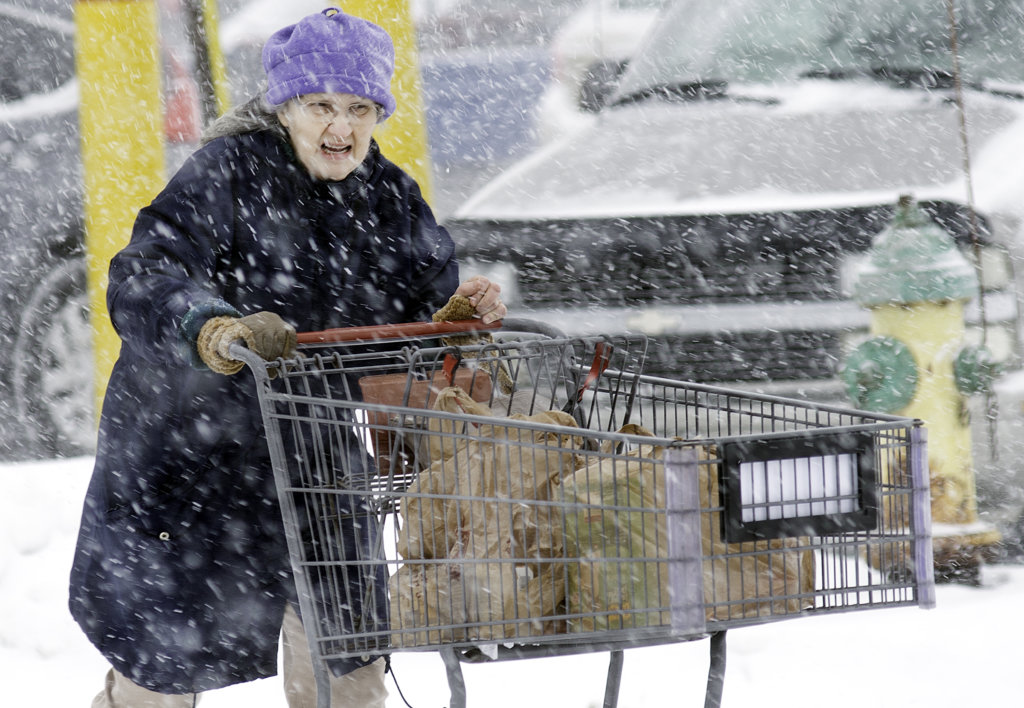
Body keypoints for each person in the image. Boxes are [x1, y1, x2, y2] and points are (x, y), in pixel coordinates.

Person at [69, 8, 505, 707]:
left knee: (350, 666)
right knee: (161, 667)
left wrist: (450, 318)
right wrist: (210, 328)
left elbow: (421, 300)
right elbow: (142, 274)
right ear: (284, 106)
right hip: (191, 452)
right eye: (320, 106)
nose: (341, 127)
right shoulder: (226, 174)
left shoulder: (387, 196)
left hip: (314, 455)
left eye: (359, 108)